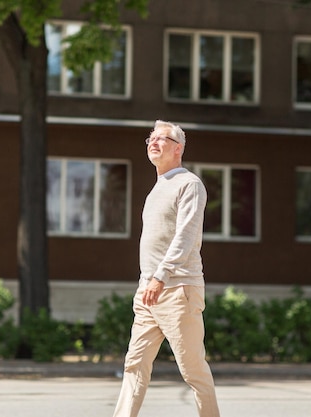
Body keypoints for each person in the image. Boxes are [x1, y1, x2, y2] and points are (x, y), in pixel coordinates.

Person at [112, 120, 221, 417]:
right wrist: (148, 281)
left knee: (193, 371)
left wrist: (161, 276)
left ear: (178, 148)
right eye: (151, 137)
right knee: (134, 365)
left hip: (177, 289)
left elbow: (186, 237)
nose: (154, 142)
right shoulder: (157, 188)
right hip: (148, 292)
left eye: (163, 138)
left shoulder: (189, 184)